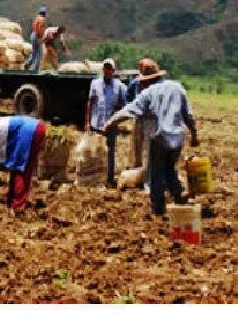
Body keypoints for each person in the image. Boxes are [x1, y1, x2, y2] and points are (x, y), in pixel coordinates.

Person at [103, 59, 199, 216]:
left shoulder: (148, 93)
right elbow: (188, 114)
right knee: (169, 167)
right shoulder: (177, 87)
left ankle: (158, 208)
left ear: (146, 80)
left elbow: (130, 109)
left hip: (160, 136)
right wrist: (194, 134)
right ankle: (178, 192)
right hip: (178, 137)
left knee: (156, 172)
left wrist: (111, 123)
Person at [0, 115, 47, 217]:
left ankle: (18, 206)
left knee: (21, 169)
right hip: (34, 128)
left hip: (30, 130)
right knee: (16, 167)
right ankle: (11, 200)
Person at [85, 58, 127, 188]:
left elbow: (124, 103)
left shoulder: (119, 86)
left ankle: (108, 179)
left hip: (110, 124)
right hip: (96, 123)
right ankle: (95, 179)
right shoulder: (95, 83)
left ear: (113, 71)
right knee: (95, 152)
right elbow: (90, 102)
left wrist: (117, 111)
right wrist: (87, 122)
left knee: (110, 153)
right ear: (102, 70)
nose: (107, 71)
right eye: (105, 68)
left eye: (110, 69)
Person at [127, 58, 154, 193]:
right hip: (138, 116)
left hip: (150, 118)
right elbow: (128, 96)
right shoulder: (135, 83)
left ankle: (148, 177)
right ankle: (137, 169)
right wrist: (132, 107)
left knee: (149, 148)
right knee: (137, 144)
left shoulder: (156, 85)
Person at [23, 7, 47, 71]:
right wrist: (40, 37)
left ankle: (27, 64)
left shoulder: (36, 18)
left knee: (34, 52)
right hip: (37, 36)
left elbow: (34, 27)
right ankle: (35, 68)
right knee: (38, 53)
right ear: (44, 13)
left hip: (33, 35)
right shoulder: (42, 19)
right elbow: (39, 28)